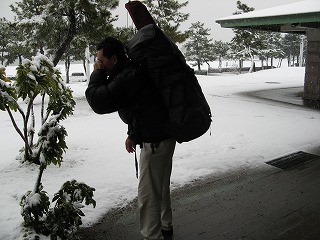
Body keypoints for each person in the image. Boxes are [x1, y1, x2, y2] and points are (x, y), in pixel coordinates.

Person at [85, 37, 176, 240]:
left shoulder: (128, 75)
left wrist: (97, 72)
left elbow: (98, 100)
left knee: (148, 195)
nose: (98, 63)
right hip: (163, 136)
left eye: (101, 60)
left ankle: (152, 236)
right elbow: (141, 108)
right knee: (159, 186)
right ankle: (165, 227)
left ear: (114, 59)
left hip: (155, 142)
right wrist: (133, 134)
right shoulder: (132, 71)